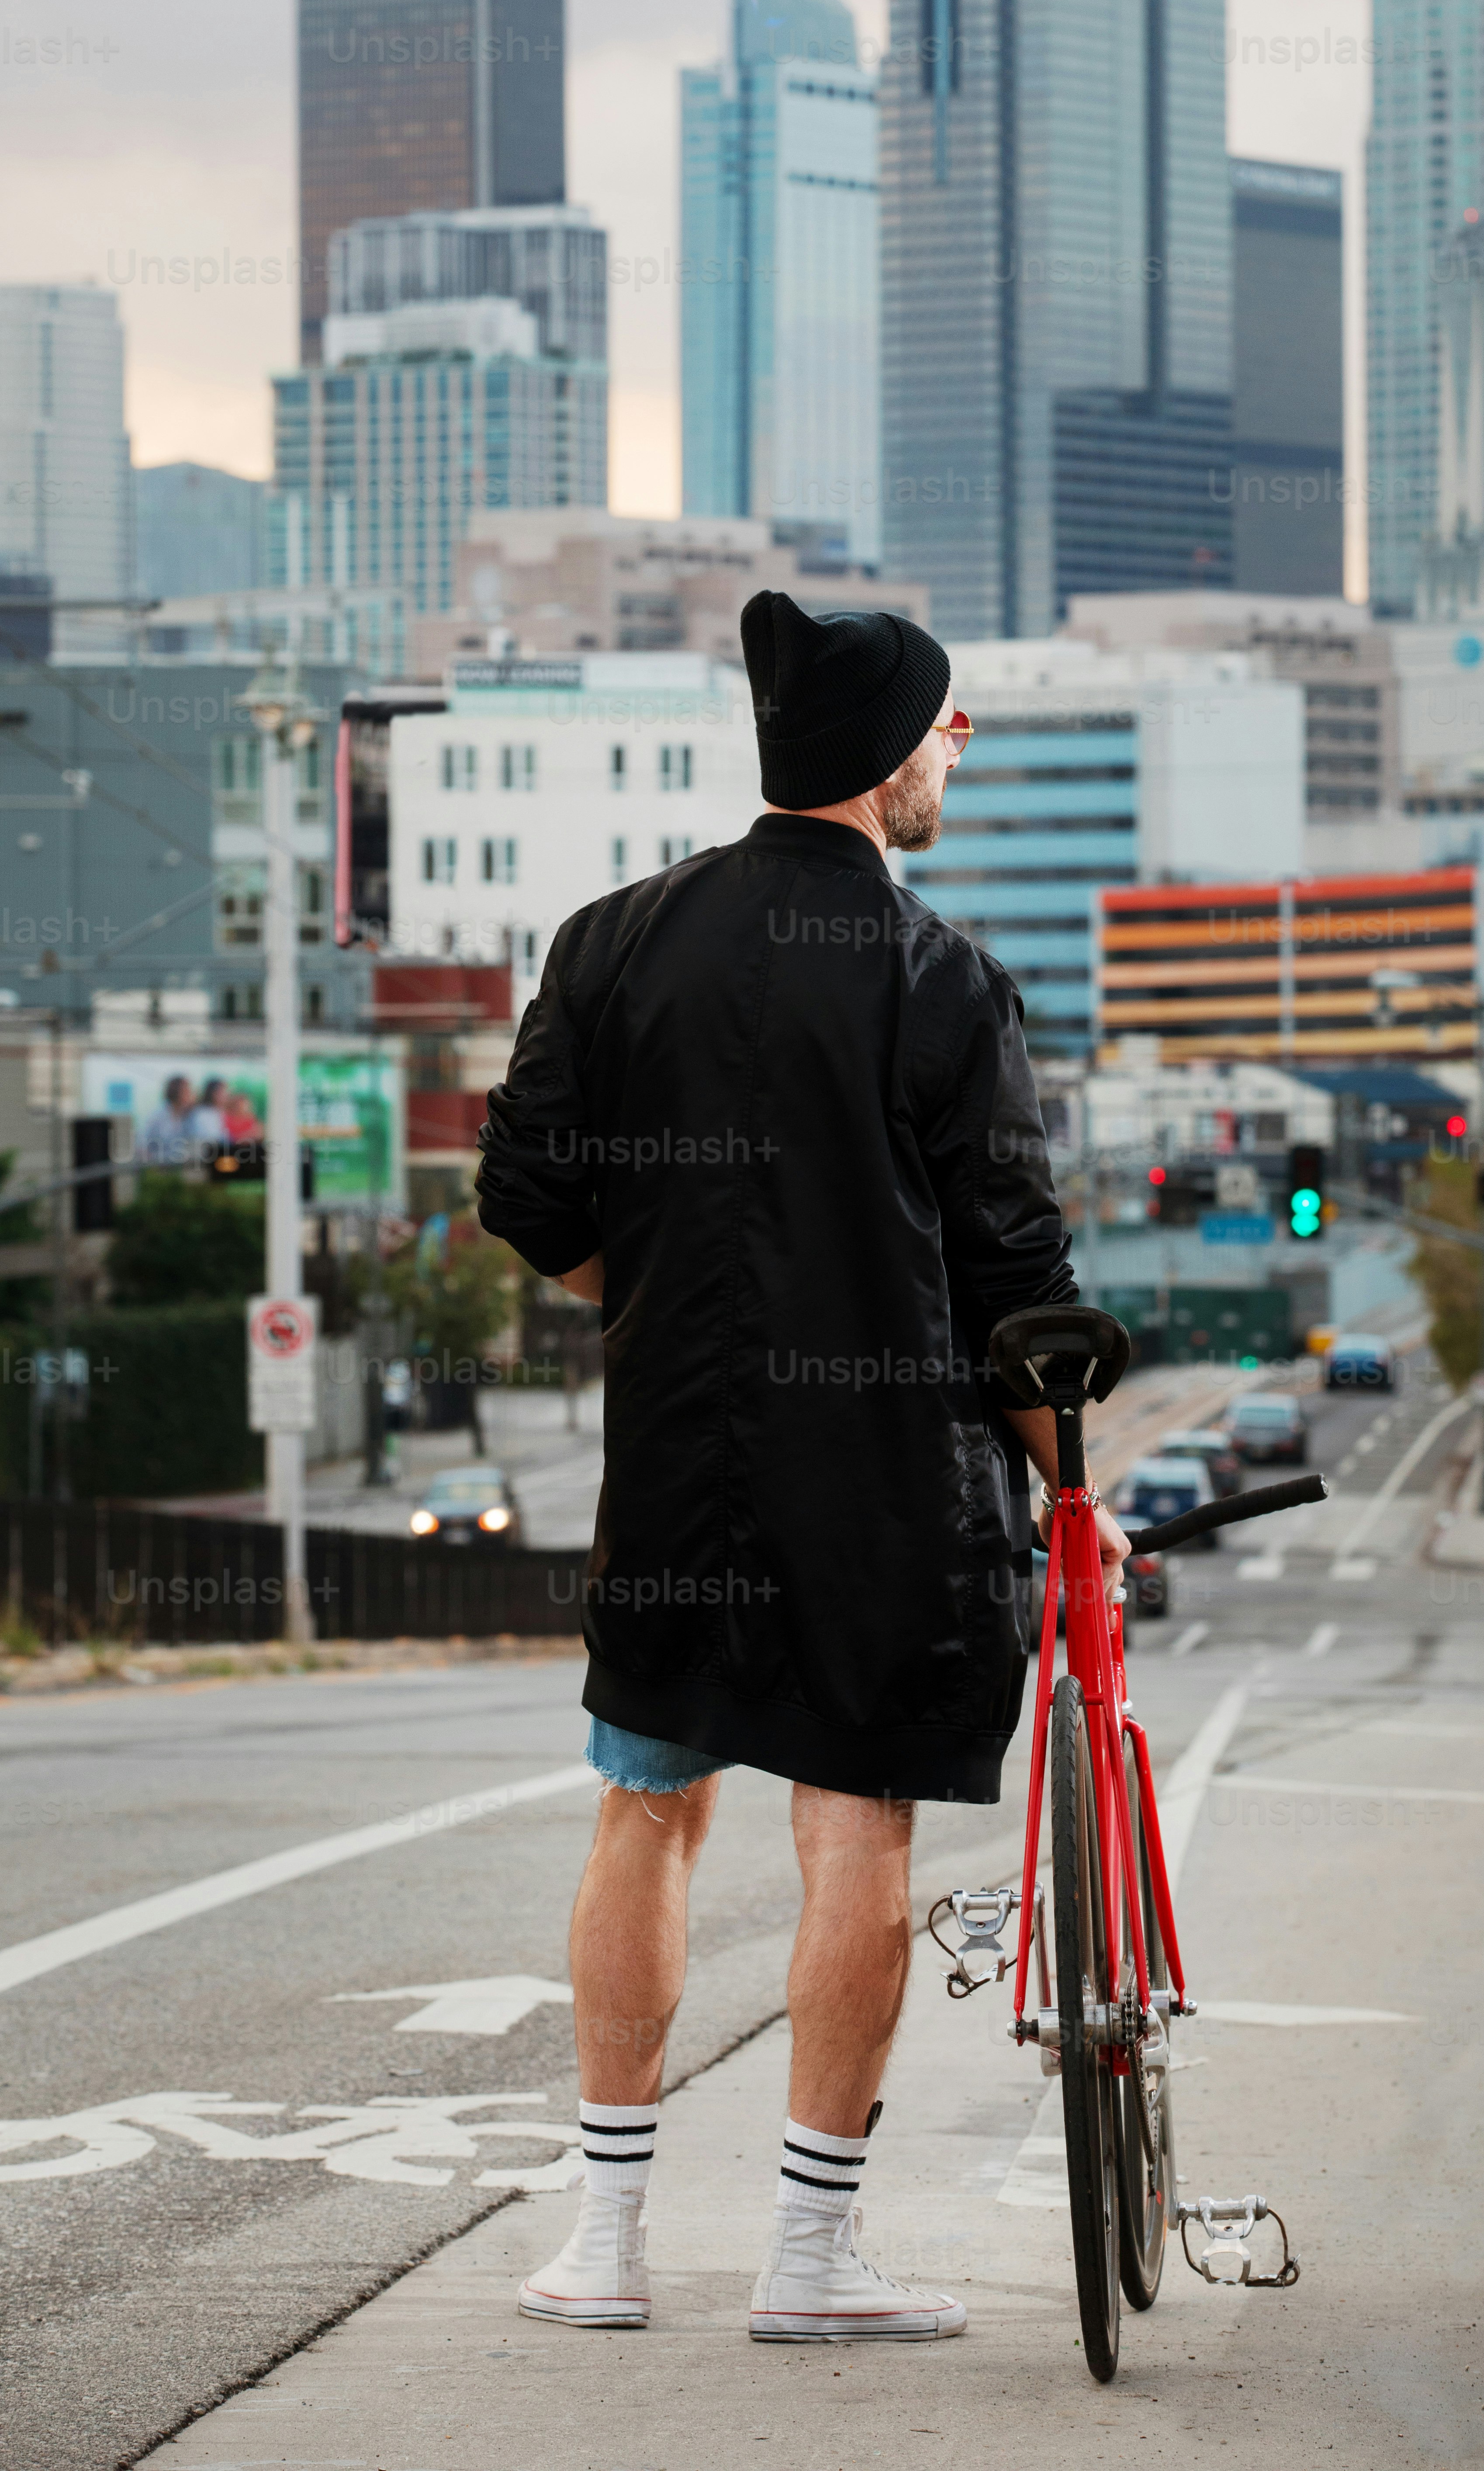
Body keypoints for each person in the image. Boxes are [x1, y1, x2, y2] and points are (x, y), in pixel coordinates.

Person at [476, 592, 1127, 2346]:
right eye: (945, 724)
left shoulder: (606, 942)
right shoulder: (942, 981)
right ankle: (810, 2261)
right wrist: (1079, 1492)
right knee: (858, 1849)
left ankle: (602, 2242)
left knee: (644, 1811)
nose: (959, 747)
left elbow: (528, 1202)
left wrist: (659, 1309)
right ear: (884, 757)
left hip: (674, 1477)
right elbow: (1014, 1288)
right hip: (891, 1498)